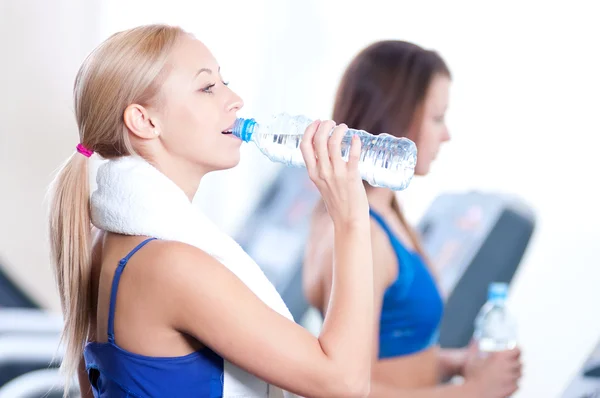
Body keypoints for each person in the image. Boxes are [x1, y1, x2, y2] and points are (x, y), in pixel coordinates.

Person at [48, 24, 375, 398]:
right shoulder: (169, 265)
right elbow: (345, 384)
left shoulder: (106, 245)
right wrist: (351, 220)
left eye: (224, 82)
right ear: (144, 120)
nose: (235, 99)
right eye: (207, 88)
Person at [303, 40, 523, 398]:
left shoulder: (384, 214)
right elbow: (354, 388)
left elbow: (393, 351)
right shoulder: (365, 234)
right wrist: (474, 391)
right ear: (397, 116)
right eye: (437, 118)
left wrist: (454, 363)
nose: (446, 134)